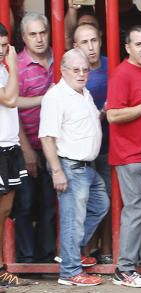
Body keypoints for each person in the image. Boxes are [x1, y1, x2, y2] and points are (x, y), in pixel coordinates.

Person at [39, 48, 107, 288]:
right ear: (63, 70)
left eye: (85, 70)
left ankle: (70, 252)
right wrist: (57, 171)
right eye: (76, 70)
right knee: (72, 219)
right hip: (70, 166)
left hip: (86, 166)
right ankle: (69, 270)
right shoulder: (56, 96)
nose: (81, 74)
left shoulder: (82, 92)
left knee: (100, 205)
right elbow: (47, 137)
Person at [106, 24, 141, 289]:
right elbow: (113, 115)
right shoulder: (122, 74)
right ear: (127, 47)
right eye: (138, 44)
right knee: (136, 209)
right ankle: (124, 269)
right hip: (129, 155)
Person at [14, 12, 55, 265]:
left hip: (54, 143)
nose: (39, 39)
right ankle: (26, 259)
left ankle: (46, 258)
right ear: (23, 38)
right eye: (33, 34)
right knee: (25, 204)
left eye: (43, 32)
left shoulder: (59, 59)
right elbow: (10, 110)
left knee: (50, 205)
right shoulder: (17, 66)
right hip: (26, 142)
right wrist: (26, 149)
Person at [73, 20, 113, 265]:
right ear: (75, 45)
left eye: (94, 40)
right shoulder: (72, 72)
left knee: (107, 199)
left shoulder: (112, 66)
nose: (91, 47)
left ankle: (107, 250)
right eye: (84, 42)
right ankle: (85, 252)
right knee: (84, 202)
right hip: (81, 150)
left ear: (100, 39)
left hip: (109, 146)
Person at [0, 24, 26, 289]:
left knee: (5, 211)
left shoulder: (3, 70)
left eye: (5, 46)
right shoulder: (8, 68)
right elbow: (8, 99)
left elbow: (14, 101)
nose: (1, 51)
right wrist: (14, 64)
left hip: (9, 147)